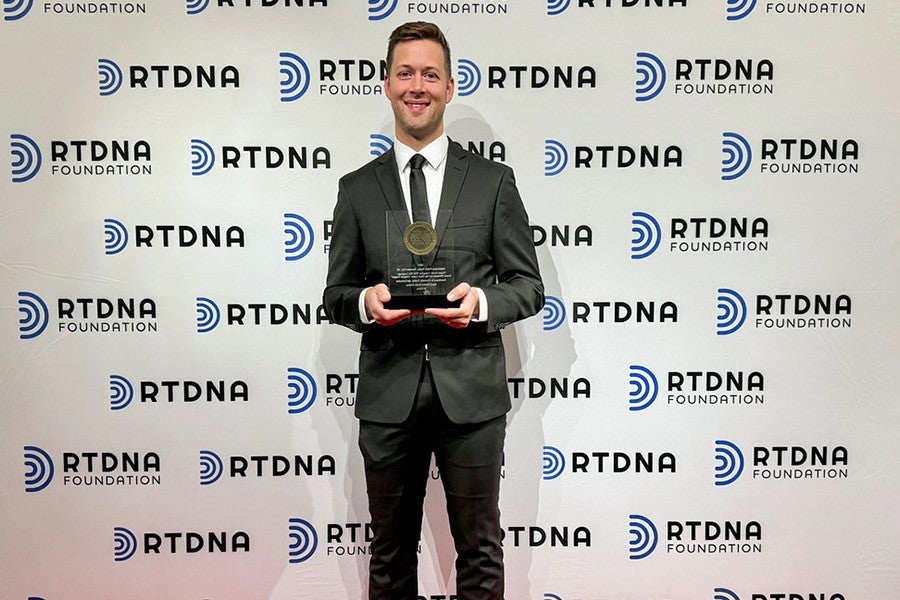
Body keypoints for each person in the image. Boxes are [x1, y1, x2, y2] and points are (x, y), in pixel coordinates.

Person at [323, 21, 543, 600]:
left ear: (449, 86)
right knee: (391, 558)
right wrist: (365, 304)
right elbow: (335, 294)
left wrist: (482, 304)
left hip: (471, 392)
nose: (415, 86)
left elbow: (527, 286)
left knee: (479, 553)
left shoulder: (494, 183)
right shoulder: (356, 190)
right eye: (404, 73)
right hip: (389, 395)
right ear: (386, 84)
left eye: (429, 74)